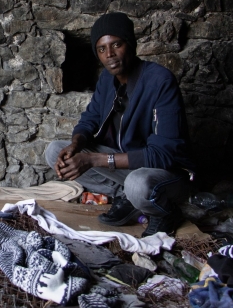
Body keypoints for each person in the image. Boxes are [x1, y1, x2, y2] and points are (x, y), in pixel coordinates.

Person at [45, 12, 195, 237]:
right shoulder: (107, 79)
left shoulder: (160, 81)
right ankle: (127, 198)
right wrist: (76, 145)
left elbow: (164, 155)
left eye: (116, 44)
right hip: (125, 165)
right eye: (102, 49)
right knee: (55, 151)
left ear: (130, 44)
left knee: (137, 184)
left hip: (165, 173)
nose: (110, 55)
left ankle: (166, 212)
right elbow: (90, 119)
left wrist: (93, 159)